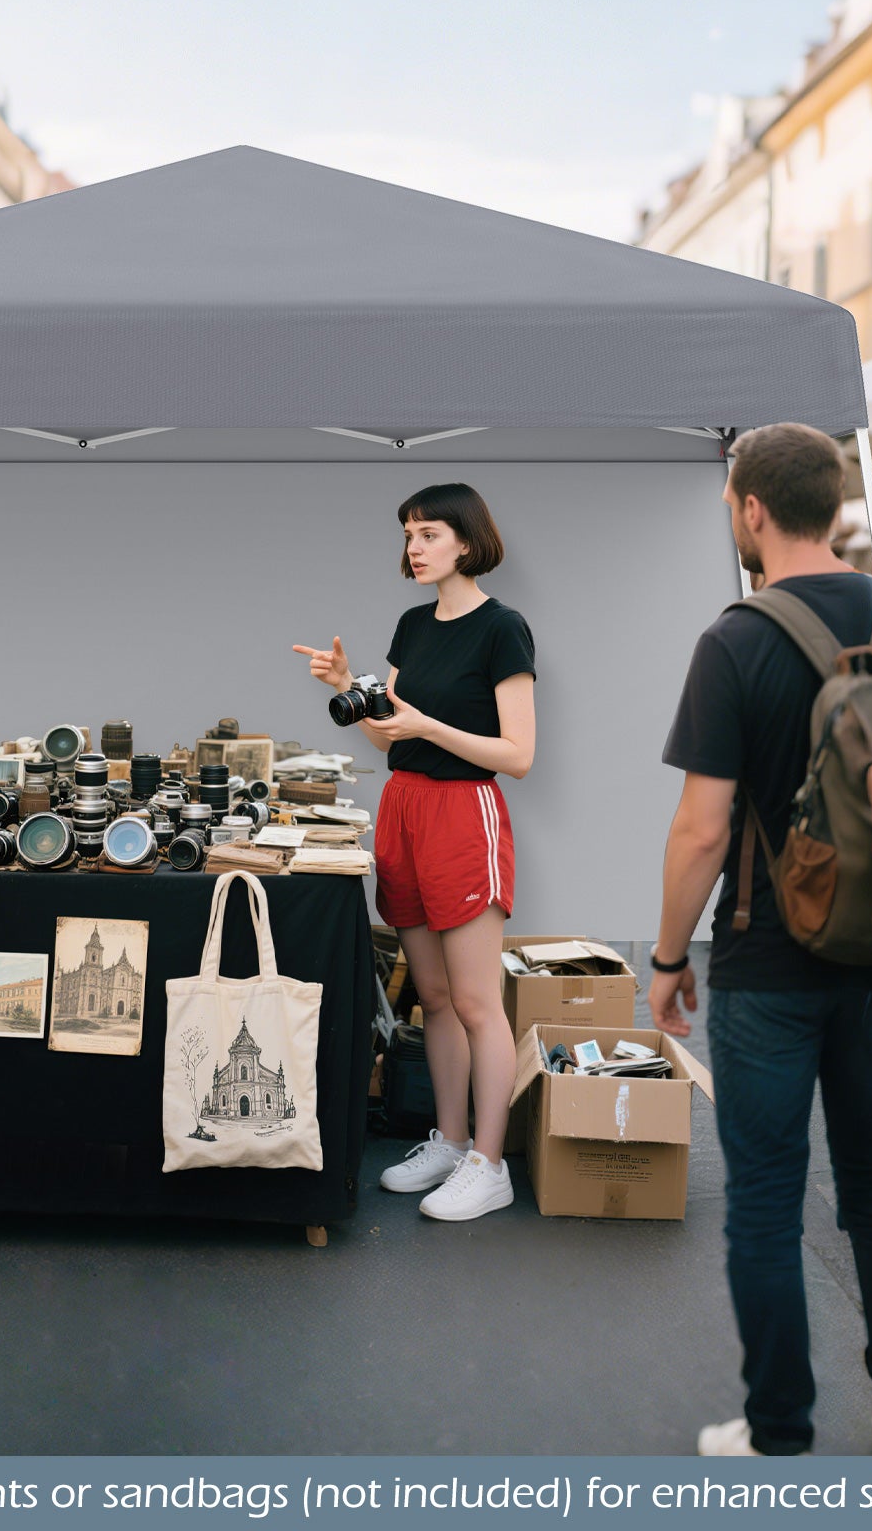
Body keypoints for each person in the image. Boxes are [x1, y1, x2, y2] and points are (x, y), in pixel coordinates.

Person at [651, 423, 872, 1459]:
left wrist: (665, 963)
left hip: (765, 961)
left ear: (750, 508)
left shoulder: (734, 638)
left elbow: (702, 829)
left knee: (761, 1197)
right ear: (834, 506)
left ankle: (778, 1425)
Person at [292, 483, 535, 1222]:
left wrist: (429, 726)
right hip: (404, 808)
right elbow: (390, 735)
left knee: (474, 1001)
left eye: (428, 533)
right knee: (430, 998)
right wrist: (347, 689)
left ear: (466, 540)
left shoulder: (504, 628)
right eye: (408, 534)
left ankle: (490, 1166)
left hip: (465, 812)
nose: (415, 547)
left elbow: (519, 754)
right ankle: (451, 1141)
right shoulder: (411, 623)